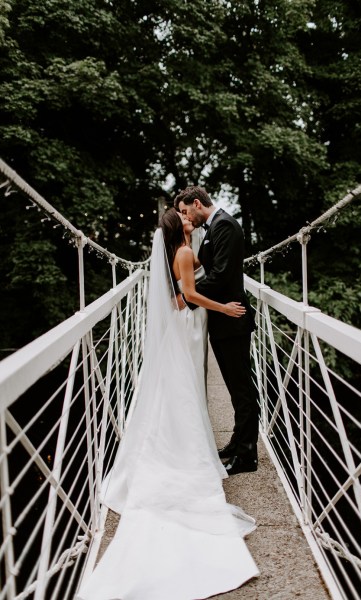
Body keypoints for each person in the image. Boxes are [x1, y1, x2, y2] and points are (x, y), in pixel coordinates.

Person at [76, 209, 259, 600]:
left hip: (190, 324)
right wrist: (225, 307)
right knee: (184, 389)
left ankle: (185, 444)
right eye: (181, 213)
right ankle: (183, 451)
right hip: (190, 323)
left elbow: (199, 277)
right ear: (181, 225)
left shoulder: (185, 246)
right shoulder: (179, 251)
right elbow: (190, 293)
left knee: (186, 388)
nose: (184, 213)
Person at [174, 186, 260, 476]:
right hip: (222, 322)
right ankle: (237, 443)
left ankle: (247, 454)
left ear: (197, 203)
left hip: (232, 320)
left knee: (242, 389)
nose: (186, 216)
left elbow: (221, 276)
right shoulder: (213, 228)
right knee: (236, 389)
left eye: (186, 211)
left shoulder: (225, 226)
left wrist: (187, 296)